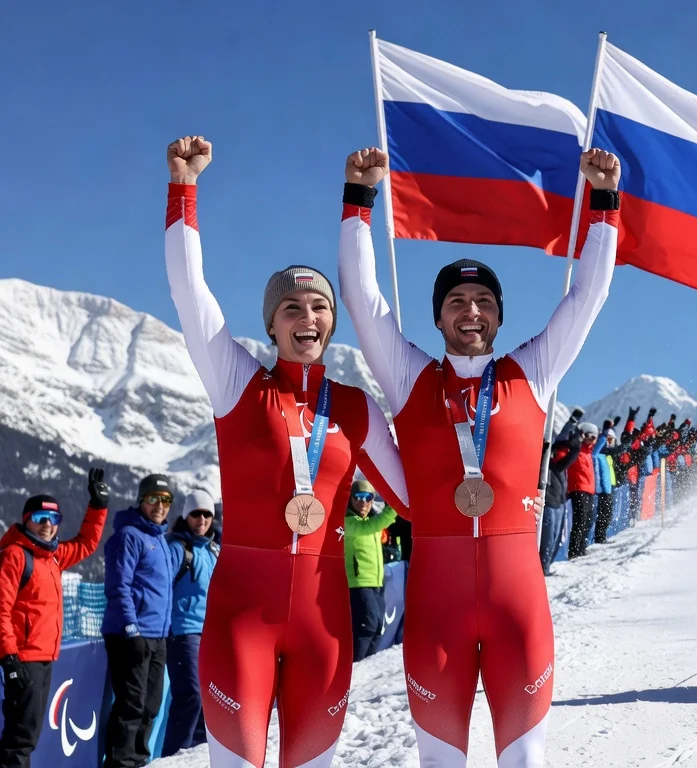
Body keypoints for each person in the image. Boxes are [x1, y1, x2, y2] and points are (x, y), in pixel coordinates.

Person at [338, 145, 620, 765]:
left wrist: (603, 205)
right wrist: (359, 201)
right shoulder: (411, 376)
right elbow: (361, 297)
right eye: (457, 302)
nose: (472, 310)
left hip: (517, 606)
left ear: (498, 316)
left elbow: (588, 297)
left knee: (524, 760)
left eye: (485, 302)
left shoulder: (533, 371)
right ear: (438, 317)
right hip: (437, 611)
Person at [164, 136, 412, 768]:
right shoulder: (237, 382)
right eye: (292, 307)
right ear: (271, 324)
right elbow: (191, 294)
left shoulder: (355, 408)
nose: (308, 315)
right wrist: (184, 190)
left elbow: (413, 498)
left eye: (320, 306)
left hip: (322, 625)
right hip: (241, 618)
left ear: (332, 323)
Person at [0, 470, 107, 768]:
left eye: (54, 519)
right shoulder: (16, 555)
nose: (48, 525)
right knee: (20, 737)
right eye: (40, 518)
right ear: (27, 520)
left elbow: (86, 544)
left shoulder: (54, 556)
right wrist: (9, 658)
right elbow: (1, 609)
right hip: (23, 659)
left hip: (45, 657)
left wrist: (98, 507)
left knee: (28, 733)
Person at [102, 473, 176, 768]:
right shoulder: (128, 536)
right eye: (153, 499)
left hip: (157, 635)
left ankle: (138, 759)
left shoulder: (161, 541)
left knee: (151, 705)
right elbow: (118, 586)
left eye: (166, 500)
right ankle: (121, 762)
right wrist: (131, 630)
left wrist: (165, 630)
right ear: (141, 500)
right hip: (130, 634)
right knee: (131, 704)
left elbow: (164, 592)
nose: (159, 505)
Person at [161, 488, 218, 758]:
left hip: (210, 632)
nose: (202, 520)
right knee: (190, 695)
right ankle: (175, 754)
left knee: (207, 697)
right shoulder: (177, 548)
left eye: (207, 514)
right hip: (183, 631)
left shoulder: (213, 550)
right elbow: (160, 586)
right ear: (186, 516)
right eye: (196, 514)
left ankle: (194, 754)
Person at [344, 480, 399, 662]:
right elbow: (375, 526)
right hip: (358, 583)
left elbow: (377, 526)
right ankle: (355, 668)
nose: (363, 502)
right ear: (351, 499)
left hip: (376, 582)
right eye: (358, 497)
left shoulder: (369, 521)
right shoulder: (349, 522)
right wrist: (394, 505)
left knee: (377, 630)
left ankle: (364, 668)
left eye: (368, 497)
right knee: (366, 626)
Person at [539, 434, 583, 574]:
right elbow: (566, 460)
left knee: (556, 539)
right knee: (548, 539)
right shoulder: (544, 464)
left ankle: (546, 567)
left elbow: (566, 459)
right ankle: (543, 569)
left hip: (558, 502)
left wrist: (572, 447)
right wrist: (574, 450)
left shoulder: (554, 463)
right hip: (549, 504)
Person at [566, 421, 600, 559]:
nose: (593, 439)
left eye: (594, 437)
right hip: (578, 488)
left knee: (589, 519)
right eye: (591, 436)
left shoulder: (588, 451)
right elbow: (570, 439)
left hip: (589, 489)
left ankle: (582, 547)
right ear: (583, 434)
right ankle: (574, 550)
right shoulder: (577, 448)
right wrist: (578, 434)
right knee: (580, 520)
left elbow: (599, 445)